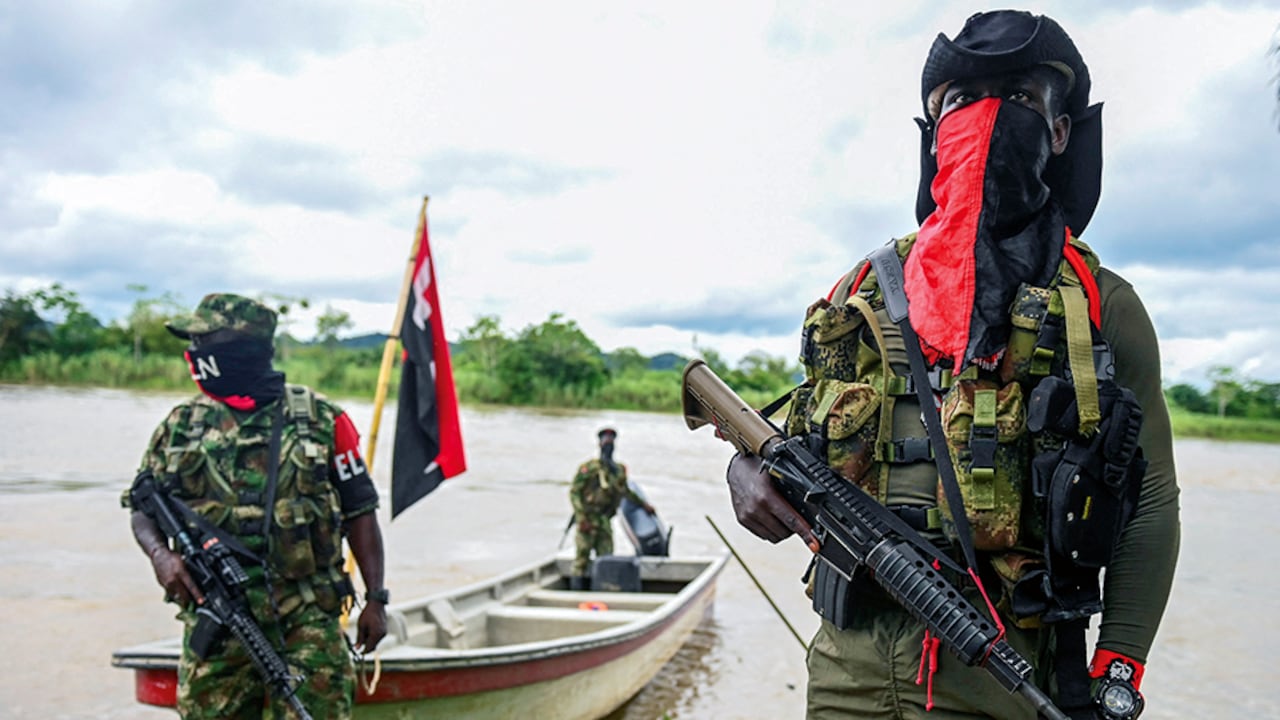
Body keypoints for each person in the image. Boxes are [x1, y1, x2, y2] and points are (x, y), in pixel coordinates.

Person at [726, 11, 1179, 720]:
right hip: (847, 663)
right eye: (962, 102)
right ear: (933, 134)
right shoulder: (861, 294)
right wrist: (744, 471)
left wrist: (1116, 669)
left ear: (1061, 133)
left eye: (1020, 98)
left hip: (1007, 669)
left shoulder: (1101, 306)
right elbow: (792, 438)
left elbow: (1151, 502)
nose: (987, 120)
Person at [123, 293, 388, 719]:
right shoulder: (180, 426)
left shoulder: (321, 420)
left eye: (204, 340)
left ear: (242, 347)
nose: (195, 351)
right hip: (216, 619)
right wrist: (161, 556)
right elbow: (141, 507)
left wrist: (376, 598)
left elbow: (361, 511)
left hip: (306, 618)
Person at [568, 427, 654, 589]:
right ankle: (575, 594)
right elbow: (574, 493)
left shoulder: (618, 470)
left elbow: (625, 492)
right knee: (581, 559)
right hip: (587, 520)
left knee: (606, 559)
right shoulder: (589, 468)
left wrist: (644, 505)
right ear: (599, 443)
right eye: (605, 440)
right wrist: (581, 518)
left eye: (611, 440)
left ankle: (601, 593)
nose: (608, 444)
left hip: (604, 520)